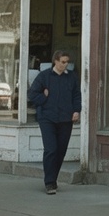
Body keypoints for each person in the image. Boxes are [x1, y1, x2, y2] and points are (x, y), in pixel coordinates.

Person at [27, 50, 81, 195]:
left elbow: (76, 94)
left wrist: (76, 110)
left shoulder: (71, 77)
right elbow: (32, 94)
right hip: (47, 118)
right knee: (51, 149)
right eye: (63, 62)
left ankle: (53, 178)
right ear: (55, 61)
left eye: (67, 62)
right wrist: (44, 99)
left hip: (65, 118)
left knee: (61, 151)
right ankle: (49, 182)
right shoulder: (44, 76)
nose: (65, 65)